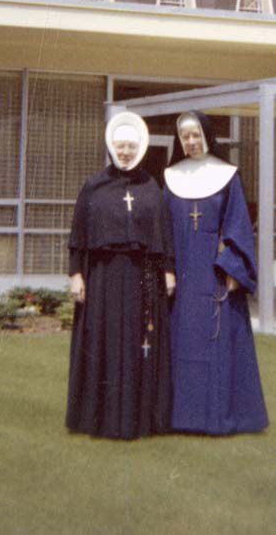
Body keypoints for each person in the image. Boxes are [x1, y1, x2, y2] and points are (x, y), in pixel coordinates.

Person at [65, 111, 176, 439]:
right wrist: (76, 274)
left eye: (131, 145)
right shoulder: (94, 186)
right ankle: (99, 418)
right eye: (120, 145)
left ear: (140, 147)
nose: (125, 151)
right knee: (104, 340)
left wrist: (168, 270)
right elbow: (79, 235)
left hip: (144, 276)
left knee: (140, 342)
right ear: (111, 146)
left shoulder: (150, 187)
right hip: (102, 275)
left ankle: (138, 419)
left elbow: (163, 233)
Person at [165, 110, 268, 435]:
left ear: (208, 136)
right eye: (185, 137)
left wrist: (234, 269)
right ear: (179, 141)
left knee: (216, 345)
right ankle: (179, 418)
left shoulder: (227, 176)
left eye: (196, 135)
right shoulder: (170, 177)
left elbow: (238, 226)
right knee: (181, 344)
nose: (191, 142)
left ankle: (218, 417)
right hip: (180, 276)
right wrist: (165, 270)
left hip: (215, 277)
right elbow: (162, 229)